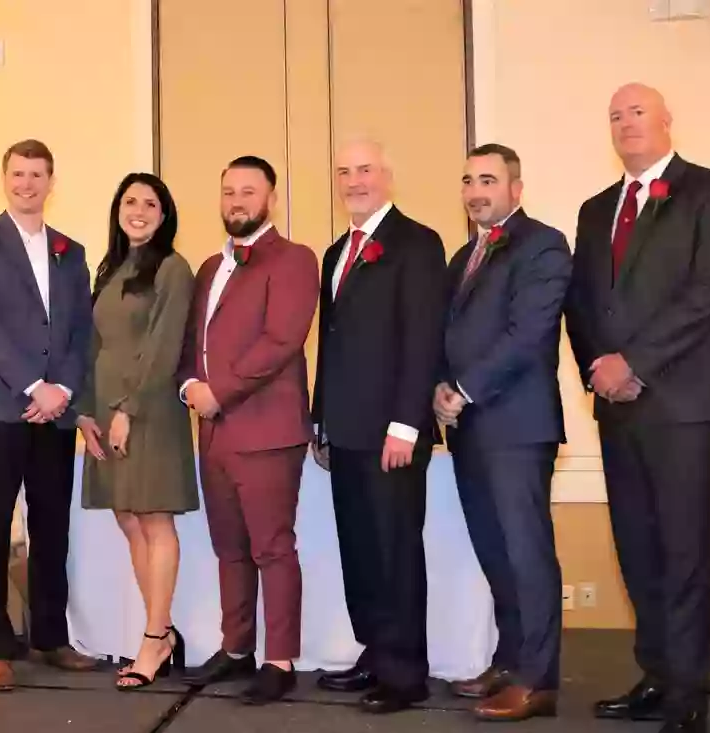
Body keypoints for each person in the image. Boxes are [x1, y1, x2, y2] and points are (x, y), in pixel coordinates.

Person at [564, 83, 710, 733]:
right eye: (614, 115)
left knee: (686, 548)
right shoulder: (593, 210)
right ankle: (657, 673)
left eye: (637, 111)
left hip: (684, 401)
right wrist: (600, 367)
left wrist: (634, 363)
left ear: (666, 120)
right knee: (637, 547)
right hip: (617, 406)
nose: (625, 123)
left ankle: (690, 689)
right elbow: (580, 303)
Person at [0, 139, 97, 692]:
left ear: (51, 181)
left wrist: (61, 389)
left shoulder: (71, 250)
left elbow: (82, 329)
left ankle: (50, 637)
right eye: (18, 173)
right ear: (4, 178)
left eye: (37, 174)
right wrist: (34, 385)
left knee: (51, 527)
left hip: (54, 414)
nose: (27, 183)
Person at [434, 144, 571, 721]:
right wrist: (440, 390)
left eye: (487, 179)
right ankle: (512, 659)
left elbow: (529, 334)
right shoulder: (464, 254)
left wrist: (462, 389)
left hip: (516, 425)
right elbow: (447, 335)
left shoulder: (543, 244)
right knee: (495, 551)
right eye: (467, 180)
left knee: (526, 551)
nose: (475, 191)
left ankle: (539, 680)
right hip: (469, 429)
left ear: (516, 188)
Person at [311, 139, 448, 714]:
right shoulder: (336, 250)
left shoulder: (417, 243)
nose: (353, 180)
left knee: (394, 550)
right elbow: (333, 344)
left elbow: (422, 339)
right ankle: (375, 649)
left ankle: (405, 672)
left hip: (392, 432)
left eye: (364, 170)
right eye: (344, 172)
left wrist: (406, 425)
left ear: (387, 176)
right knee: (359, 549)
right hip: (343, 431)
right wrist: (320, 417)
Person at [178, 156, 319, 705]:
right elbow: (197, 341)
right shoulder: (211, 267)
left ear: (271, 199)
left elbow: (282, 340)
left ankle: (279, 659)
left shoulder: (295, 259)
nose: (237, 200)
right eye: (228, 191)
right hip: (212, 432)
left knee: (272, 549)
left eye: (249, 191)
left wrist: (221, 391)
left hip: (266, 431)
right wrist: (190, 382)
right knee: (229, 549)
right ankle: (236, 649)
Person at [74, 173, 198, 690]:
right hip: (104, 408)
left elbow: (165, 347)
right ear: (118, 209)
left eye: (150, 203)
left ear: (164, 214)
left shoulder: (172, 268)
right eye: (130, 201)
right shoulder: (110, 268)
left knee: (155, 519)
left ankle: (152, 638)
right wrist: (85, 412)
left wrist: (129, 409)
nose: (139, 210)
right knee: (128, 518)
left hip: (148, 409)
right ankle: (163, 632)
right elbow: (91, 344)